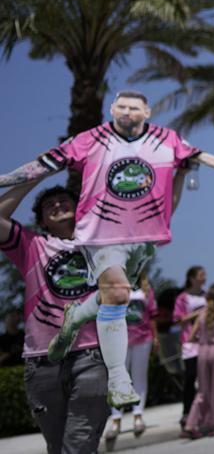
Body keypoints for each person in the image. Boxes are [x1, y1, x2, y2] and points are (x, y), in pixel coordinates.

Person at [0, 90, 214, 408]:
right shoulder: (91, 139)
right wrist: (3, 180)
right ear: (111, 109)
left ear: (147, 111)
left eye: (134, 107)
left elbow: (204, 159)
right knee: (118, 295)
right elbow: (40, 165)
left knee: (112, 294)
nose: (127, 112)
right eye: (121, 106)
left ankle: (77, 315)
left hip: (141, 241)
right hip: (102, 235)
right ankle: (119, 381)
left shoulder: (167, 140)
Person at [1, 179, 116, 453]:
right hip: (42, 360)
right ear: (42, 221)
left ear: (79, 208)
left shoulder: (101, 242)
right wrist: (35, 176)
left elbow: (152, 217)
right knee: (59, 447)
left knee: (76, 446)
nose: (57, 205)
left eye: (64, 200)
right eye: (48, 205)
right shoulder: (31, 247)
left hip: (93, 356)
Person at [103, 273, 157, 449]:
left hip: (143, 338)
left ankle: (138, 415)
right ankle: (116, 420)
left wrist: (156, 339)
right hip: (120, 340)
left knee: (139, 378)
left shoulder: (146, 290)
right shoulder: (114, 287)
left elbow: (152, 315)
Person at [182, 284, 214, 439]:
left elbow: (190, 337)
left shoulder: (202, 315)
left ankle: (190, 424)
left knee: (203, 391)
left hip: (203, 351)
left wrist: (203, 339)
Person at [173, 265, 207, 428]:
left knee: (205, 378)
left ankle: (204, 411)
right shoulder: (183, 298)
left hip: (205, 341)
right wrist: (198, 313)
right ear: (192, 278)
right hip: (189, 342)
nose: (204, 277)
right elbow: (179, 319)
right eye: (201, 275)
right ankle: (187, 412)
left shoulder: (206, 296)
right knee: (190, 376)